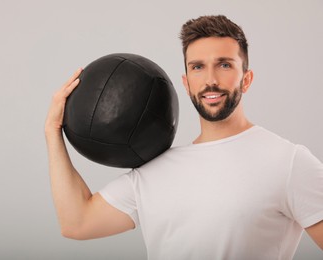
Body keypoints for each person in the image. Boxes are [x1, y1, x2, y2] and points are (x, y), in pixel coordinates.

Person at [45, 15, 323, 259]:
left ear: (246, 79)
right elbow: (76, 222)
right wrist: (52, 131)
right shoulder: (155, 170)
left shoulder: (288, 162)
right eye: (198, 67)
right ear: (186, 81)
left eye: (224, 65)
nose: (210, 79)